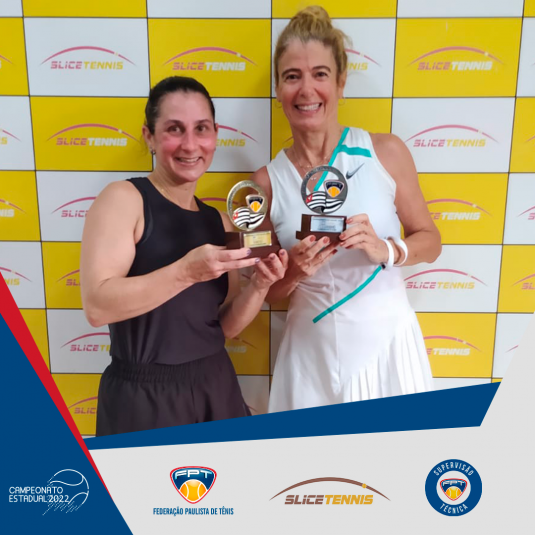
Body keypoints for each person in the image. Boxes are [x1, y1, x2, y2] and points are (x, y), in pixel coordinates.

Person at [252, 6, 442, 412]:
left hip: (387, 350)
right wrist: (294, 271)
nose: (306, 90)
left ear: (340, 84)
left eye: (320, 74)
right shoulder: (264, 183)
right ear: (278, 89)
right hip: (309, 360)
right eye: (292, 76)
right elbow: (268, 294)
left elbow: (431, 240)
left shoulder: (385, 151)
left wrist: (387, 249)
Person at [80, 76, 287, 435]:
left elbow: (223, 327)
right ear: (149, 136)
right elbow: (97, 307)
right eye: (175, 129)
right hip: (142, 396)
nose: (190, 144)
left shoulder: (220, 221)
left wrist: (260, 286)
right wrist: (186, 272)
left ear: (215, 135)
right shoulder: (124, 199)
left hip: (216, 384)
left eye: (201, 128)